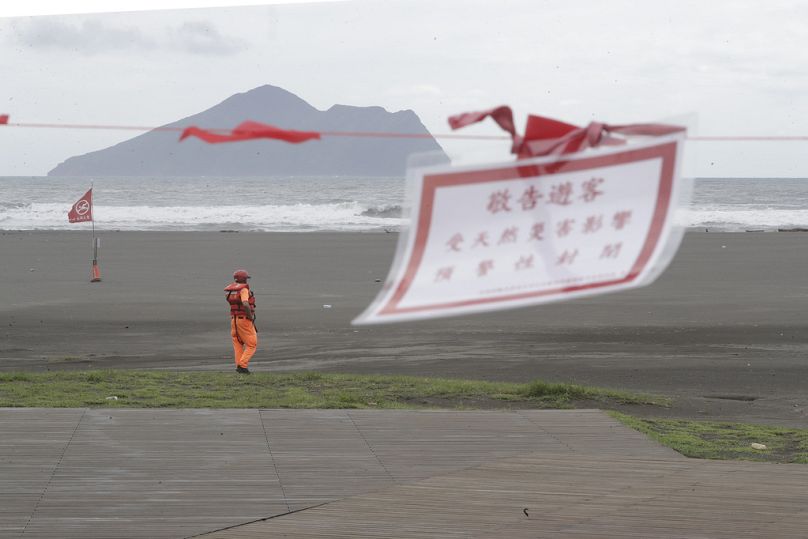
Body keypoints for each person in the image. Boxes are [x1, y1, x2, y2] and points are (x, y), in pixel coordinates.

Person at [224, 269, 258, 374]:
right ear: (244, 279)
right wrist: (250, 317)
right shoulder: (243, 290)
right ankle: (242, 366)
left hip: (234, 320)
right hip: (243, 320)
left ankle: (239, 366)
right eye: (246, 278)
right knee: (252, 344)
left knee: (238, 344)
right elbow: (245, 303)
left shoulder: (230, 291)